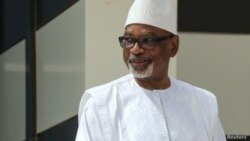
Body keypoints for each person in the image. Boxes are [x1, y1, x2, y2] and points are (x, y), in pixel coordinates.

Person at [75, 0, 226, 140]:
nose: (135, 49)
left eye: (147, 40)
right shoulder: (101, 104)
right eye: (128, 40)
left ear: (173, 46)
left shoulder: (203, 103)